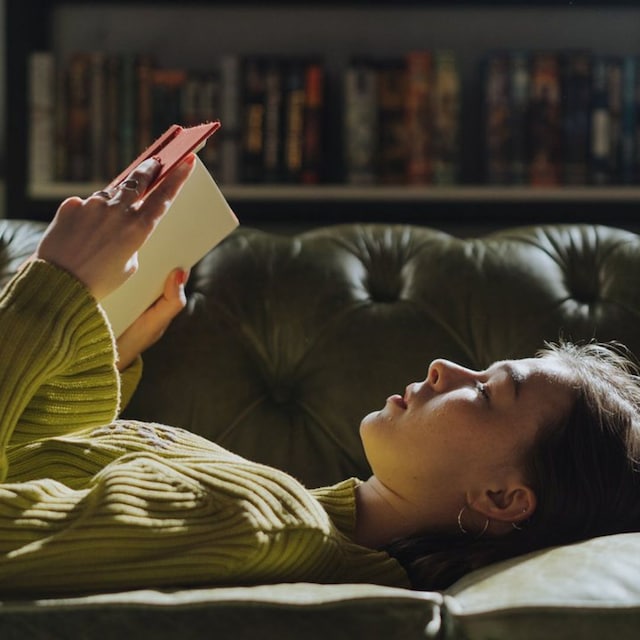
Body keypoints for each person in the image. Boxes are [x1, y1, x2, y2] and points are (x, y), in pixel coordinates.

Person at [0, 155, 639, 596]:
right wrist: (102, 354)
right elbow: (36, 467)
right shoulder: (289, 513)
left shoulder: (266, 522)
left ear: (501, 498)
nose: (446, 368)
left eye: (487, 391)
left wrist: (55, 287)